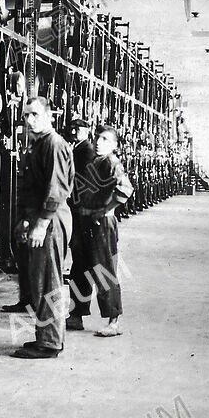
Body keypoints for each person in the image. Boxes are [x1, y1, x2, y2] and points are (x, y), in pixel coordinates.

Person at [7, 97, 75, 359]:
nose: (29, 120)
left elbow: (55, 190)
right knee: (40, 281)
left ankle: (49, 343)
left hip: (52, 220)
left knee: (49, 281)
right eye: (26, 115)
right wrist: (27, 219)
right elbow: (33, 189)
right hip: (41, 219)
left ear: (49, 116)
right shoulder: (39, 145)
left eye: (35, 114)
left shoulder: (54, 144)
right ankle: (44, 336)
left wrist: (42, 223)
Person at [74, 126, 134, 337]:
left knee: (103, 270)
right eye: (98, 138)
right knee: (80, 268)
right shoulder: (95, 162)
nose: (99, 142)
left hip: (101, 224)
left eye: (105, 139)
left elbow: (125, 190)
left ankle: (113, 320)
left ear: (114, 145)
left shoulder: (111, 162)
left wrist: (104, 211)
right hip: (86, 221)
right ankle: (76, 314)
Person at [66, 118, 96, 331]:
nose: (75, 131)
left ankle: (77, 313)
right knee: (79, 261)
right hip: (78, 211)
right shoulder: (77, 148)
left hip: (82, 213)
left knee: (82, 262)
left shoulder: (86, 151)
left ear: (88, 131)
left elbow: (83, 183)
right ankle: (77, 311)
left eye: (79, 129)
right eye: (73, 128)